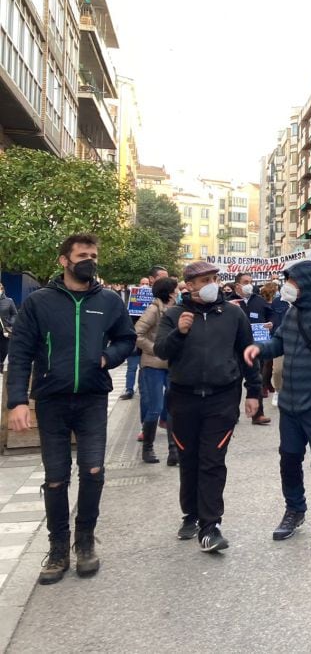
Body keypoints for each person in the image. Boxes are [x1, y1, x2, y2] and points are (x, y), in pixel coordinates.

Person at [6, 233, 136, 584]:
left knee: (93, 471)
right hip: (51, 399)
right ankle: (58, 548)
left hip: (93, 397)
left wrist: (110, 357)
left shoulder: (109, 300)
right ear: (64, 260)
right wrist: (17, 400)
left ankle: (85, 542)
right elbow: (19, 353)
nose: (89, 260)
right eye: (82, 255)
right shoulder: (39, 303)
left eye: (93, 254)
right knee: (55, 477)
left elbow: (127, 337)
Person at [245, 261, 311, 557]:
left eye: (290, 280)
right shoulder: (292, 312)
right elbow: (279, 343)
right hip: (290, 404)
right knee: (289, 461)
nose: (286, 286)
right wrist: (258, 349)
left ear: (304, 282)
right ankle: (294, 510)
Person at [154, 261, 262, 553]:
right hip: (184, 399)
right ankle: (190, 514)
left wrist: (254, 392)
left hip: (221, 399)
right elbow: (161, 350)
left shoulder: (233, 313)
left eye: (215, 278)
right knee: (189, 461)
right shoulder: (175, 314)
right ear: (189, 285)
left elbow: (247, 352)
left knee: (213, 461)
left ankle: (210, 526)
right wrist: (180, 332)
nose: (213, 283)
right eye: (205, 280)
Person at [135, 277, 182, 465]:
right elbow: (136, 333)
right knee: (154, 408)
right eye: (176, 289)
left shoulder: (177, 310)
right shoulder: (154, 309)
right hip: (153, 364)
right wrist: (154, 349)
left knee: (173, 408)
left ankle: (173, 451)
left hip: (172, 365)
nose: (179, 291)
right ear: (170, 292)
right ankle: (147, 448)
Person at [227, 273, 273, 426]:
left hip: (254, 348)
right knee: (234, 381)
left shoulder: (259, 301)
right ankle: (232, 414)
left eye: (251, 282)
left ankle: (258, 414)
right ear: (237, 285)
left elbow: (270, 316)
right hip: (234, 349)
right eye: (246, 282)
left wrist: (270, 323)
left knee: (256, 379)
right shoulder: (228, 302)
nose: (249, 285)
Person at [120, 276, 151, 401]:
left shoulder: (152, 302)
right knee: (132, 367)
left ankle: (143, 388)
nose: (144, 286)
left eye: (147, 284)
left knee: (144, 368)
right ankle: (129, 389)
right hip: (134, 341)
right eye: (142, 283)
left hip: (146, 341)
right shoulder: (132, 302)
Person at [0, 280, 17, 370]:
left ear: (1, 289)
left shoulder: (9, 301)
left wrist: (10, 323)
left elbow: (14, 314)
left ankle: (2, 368)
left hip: (4, 330)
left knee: (4, 350)